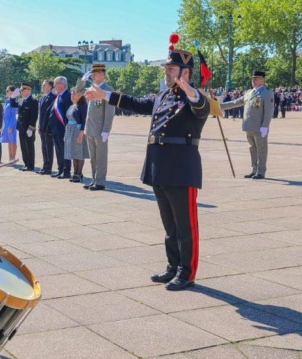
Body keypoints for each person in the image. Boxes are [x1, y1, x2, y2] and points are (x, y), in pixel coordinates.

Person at [85, 48, 209, 291]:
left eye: (171, 69)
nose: (166, 72)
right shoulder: (163, 97)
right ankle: (173, 266)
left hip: (182, 169)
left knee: (186, 226)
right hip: (160, 166)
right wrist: (104, 94)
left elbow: (202, 107)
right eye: (166, 69)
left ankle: (187, 272)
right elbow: (136, 102)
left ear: (185, 72)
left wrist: (191, 91)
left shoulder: (193, 98)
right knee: (169, 225)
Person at [218, 70, 274, 179]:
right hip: (249, 126)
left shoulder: (267, 93)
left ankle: (261, 171)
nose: (253, 80)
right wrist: (219, 106)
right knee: (252, 148)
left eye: (256, 78)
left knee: (261, 149)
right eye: (253, 78)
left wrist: (265, 127)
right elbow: (236, 102)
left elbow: (268, 112)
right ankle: (254, 169)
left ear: (262, 80)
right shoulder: (249, 92)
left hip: (260, 127)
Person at [83, 63, 115, 191]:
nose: (93, 77)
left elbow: (109, 112)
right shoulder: (92, 88)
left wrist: (106, 130)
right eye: (92, 75)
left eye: (95, 74)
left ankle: (100, 182)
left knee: (101, 157)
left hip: (100, 129)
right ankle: (94, 179)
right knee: (93, 158)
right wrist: (82, 81)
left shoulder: (108, 90)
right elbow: (78, 93)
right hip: (89, 128)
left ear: (102, 74)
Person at [65, 86, 89, 182]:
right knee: (74, 153)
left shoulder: (83, 106)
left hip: (78, 131)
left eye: (73, 94)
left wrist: (81, 133)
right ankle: (75, 173)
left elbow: (84, 121)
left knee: (79, 153)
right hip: (70, 131)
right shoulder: (72, 106)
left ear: (79, 95)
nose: (72, 96)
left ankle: (79, 174)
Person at [49, 77, 71, 179]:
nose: (54, 86)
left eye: (55, 83)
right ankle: (60, 169)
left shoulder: (68, 96)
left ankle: (66, 171)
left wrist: (67, 127)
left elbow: (68, 113)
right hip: (56, 129)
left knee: (64, 150)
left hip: (63, 128)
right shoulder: (59, 96)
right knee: (58, 150)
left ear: (62, 84)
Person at [16, 82, 38, 172]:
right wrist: (13, 97)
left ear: (29, 90)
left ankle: (30, 165)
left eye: (23, 90)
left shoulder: (33, 101)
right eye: (21, 90)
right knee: (23, 146)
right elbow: (15, 106)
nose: (21, 91)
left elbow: (34, 116)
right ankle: (26, 163)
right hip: (21, 127)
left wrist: (31, 128)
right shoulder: (21, 100)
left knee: (29, 147)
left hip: (28, 128)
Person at [37, 80, 56, 174]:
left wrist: (47, 127)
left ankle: (48, 168)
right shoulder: (42, 98)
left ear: (50, 87)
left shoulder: (53, 98)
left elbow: (50, 115)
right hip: (42, 127)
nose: (43, 86)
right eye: (43, 85)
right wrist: (39, 126)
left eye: (45, 85)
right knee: (44, 147)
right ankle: (45, 166)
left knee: (49, 148)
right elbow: (41, 114)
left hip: (48, 128)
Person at [0, 85, 18, 162]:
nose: (6, 92)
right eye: (6, 91)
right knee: (9, 141)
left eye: (7, 91)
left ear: (12, 92)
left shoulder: (13, 102)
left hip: (11, 124)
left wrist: (10, 126)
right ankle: (10, 157)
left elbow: (13, 115)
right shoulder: (7, 101)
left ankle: (13, 157)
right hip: (6, 124)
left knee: (13, 141)